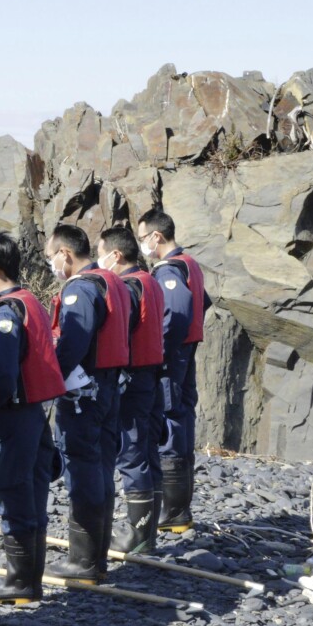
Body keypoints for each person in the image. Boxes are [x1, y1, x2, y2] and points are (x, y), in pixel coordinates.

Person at [0, 233, 65, 605]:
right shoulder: (30, 302)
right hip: (36, 414)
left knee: (13, 493)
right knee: (33, 493)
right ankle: (28, 579)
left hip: (11, 418)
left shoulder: (3, 312)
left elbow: (0, 374)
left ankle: (21, 582)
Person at [43, 224, 131, 584]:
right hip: (109, 388)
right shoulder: (112, 282)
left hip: (84, 395)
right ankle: (97, 557)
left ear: (65, 253)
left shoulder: (81, 288)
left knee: (82, 469)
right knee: (102, 468)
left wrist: (46, 382)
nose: (51, 264)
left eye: (51, 257)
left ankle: (83, 561)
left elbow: (73, 343)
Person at [136, 209, 207, 534]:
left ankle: (174, 511)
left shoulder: (168, 270)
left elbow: (177, 310)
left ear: (156, 236)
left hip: (173, 358)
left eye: (142, 238)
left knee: (171, 421)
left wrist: (160, 351)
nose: (142, 245)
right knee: (182, 418)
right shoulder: (189, 263)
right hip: (186, 352)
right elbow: (202, 301)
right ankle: (178, 510)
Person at [97, 227, 167, 554]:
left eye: (101, 252)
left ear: (115, 255)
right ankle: (148, 532)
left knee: (132, 451)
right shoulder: (150, 281)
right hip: (152, 374)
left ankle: (138, 536)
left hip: (134, 379)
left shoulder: (128, 287)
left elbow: (119, 332)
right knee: (147, 449)